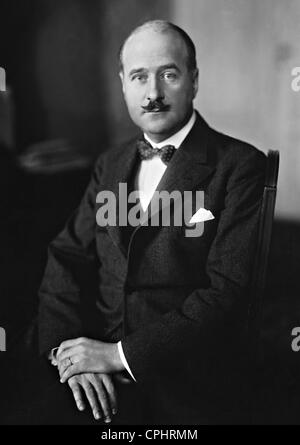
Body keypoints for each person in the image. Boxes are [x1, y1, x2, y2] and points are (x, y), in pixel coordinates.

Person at [34, 20, 266, 425]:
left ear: (193, 81)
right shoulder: (110, 162)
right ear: (124, 83)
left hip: (182, 376)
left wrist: (118, 356)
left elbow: (228, 290)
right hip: (87, 365)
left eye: (169, 75)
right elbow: (68, 253)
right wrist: (68, 352)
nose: (153, 94)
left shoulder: (241, 167)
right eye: (139, 77)